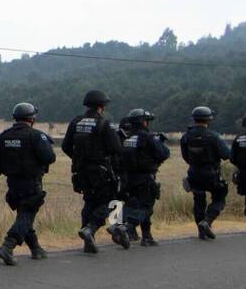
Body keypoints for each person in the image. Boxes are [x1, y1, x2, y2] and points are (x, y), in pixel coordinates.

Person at [61, 89, 127, 254]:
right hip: (101, 170)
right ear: (101, 107)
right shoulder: (104, 124)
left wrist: (78, 158)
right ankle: (99, 229)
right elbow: (116, 149)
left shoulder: (76, 122)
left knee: (90, 202)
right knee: (113, 201)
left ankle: (88, 239)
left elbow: (65, 146)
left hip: (80, 171)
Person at [0, 102, 55, 265]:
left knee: (24, 215)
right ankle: (7, 246)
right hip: (31, 182)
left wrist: (1, 170)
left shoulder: (4, 136)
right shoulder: (36, 136)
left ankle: (35, 248)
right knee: (27, 214)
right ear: (32, 119)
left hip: (12, 183)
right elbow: (49, 158)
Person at [118, 109, 170, 246]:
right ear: (143, 122)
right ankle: (124, 227)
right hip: (145, 178)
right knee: (146, 207)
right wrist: (160, 143)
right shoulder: (147, 137)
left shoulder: (128, 138)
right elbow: (163, 154)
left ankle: (146, 236)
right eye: (146, 120)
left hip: (129, 178)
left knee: (134, 205)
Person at [181, 106, 232, 240]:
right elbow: (226, 154)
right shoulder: (213, 136)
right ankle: (207, 221)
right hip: (211, 173)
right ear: (209, 119)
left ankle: (201, 230)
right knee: (219, 198)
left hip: (193, 172)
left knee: (198, 201)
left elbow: (185, 156)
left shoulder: (186, 136)